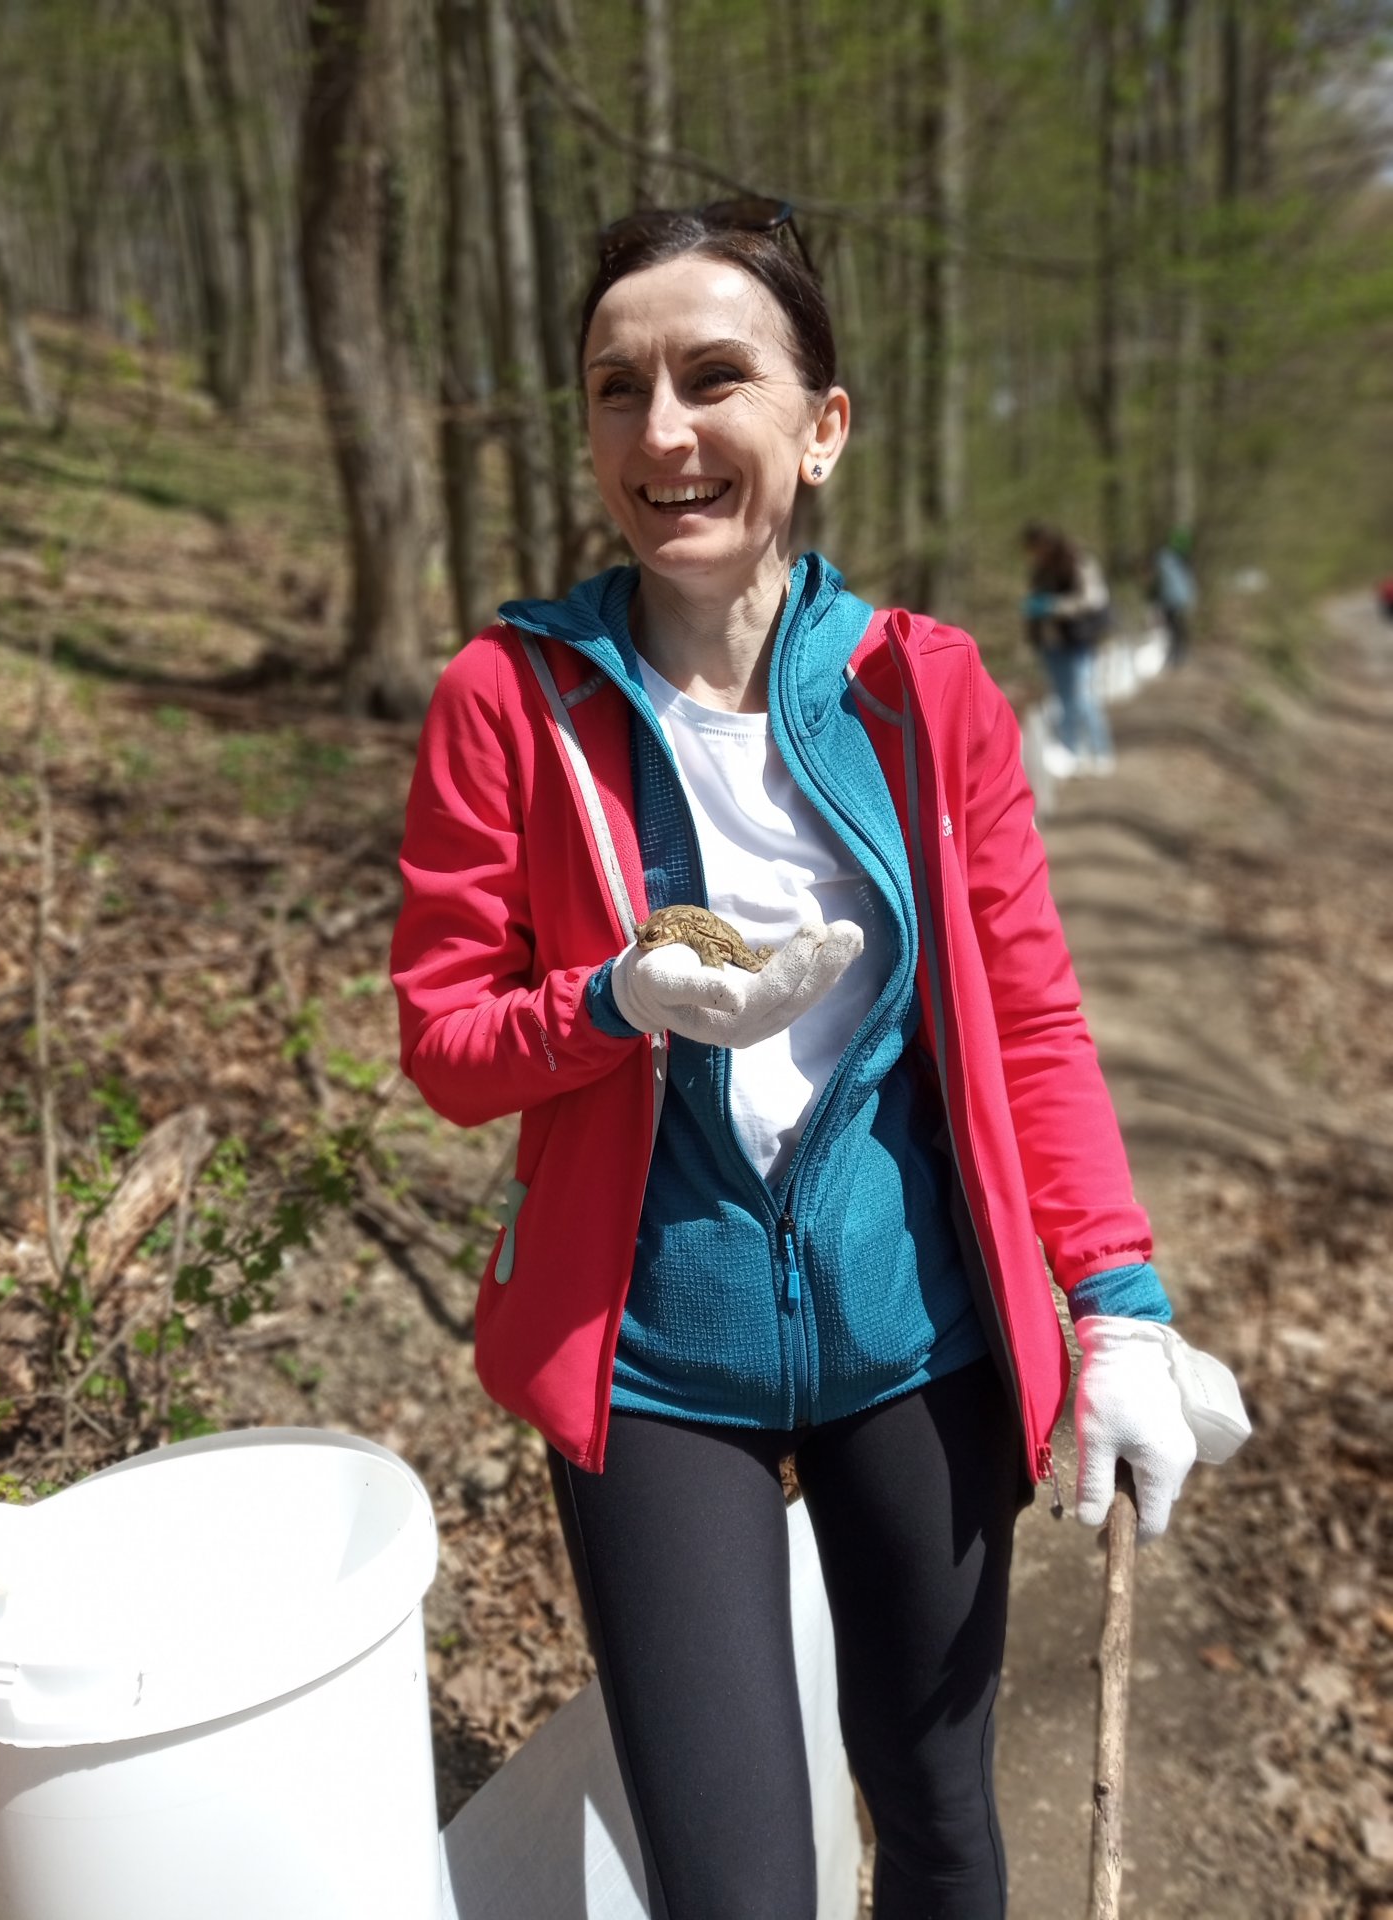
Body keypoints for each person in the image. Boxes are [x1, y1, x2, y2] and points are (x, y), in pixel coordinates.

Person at [391, 200, 1247, 1920]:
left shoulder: (920, 690)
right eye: (616, 388)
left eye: (715, 378)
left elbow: (1028, 1015)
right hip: (651, 1363)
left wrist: (1120, 1304)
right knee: (733, 1887)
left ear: (820, 427)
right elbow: (444, 1042)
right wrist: (609, 1005)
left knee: (934, 1814)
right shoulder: (510, 698)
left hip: (908, 1336)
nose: (664, 431)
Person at [1021, 520, 1115, 774]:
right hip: (1052, 644)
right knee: (1062, 699)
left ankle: (1100, 750)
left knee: (1082, 697)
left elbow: (1093, 598)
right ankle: (1071, 750)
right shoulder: (1040, 570)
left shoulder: (1077, 562)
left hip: (1077, 641)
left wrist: (1054, 606)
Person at [1149, 528, 1198, 664]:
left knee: (1173, 629)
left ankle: (1175, 656)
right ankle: (1177, 655)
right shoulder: (1183, 561)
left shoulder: (1164, 558)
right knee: (1177, 629)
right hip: (1178, 600)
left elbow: (1158, 581)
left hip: (1171, 600)